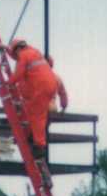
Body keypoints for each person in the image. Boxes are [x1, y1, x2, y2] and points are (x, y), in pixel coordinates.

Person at [6, 38, 65, 183]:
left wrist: (8, 83)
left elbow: (19, 72)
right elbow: (63, 93)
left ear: (17, 50)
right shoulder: (34, 53)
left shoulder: (25, 59)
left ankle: (39, 150)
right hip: (46, 92)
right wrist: (64, 105)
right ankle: (33, 140)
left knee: (36, 118)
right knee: (35, 117)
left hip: (40, 92)